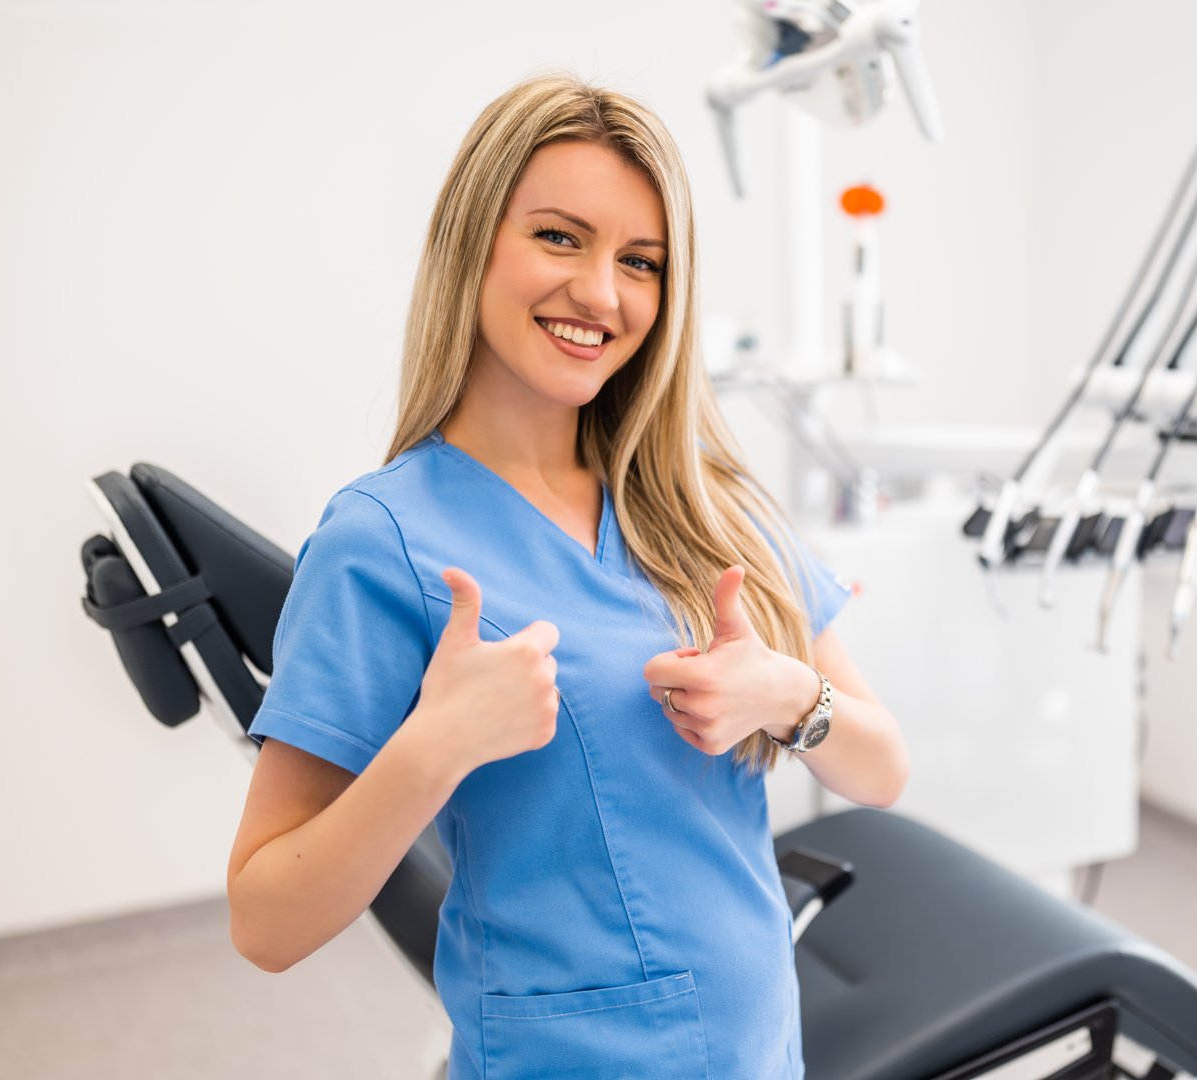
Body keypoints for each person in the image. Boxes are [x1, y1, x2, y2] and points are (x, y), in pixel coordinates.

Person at [225, 70, 909, 1079]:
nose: (601, 293)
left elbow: (883, 767)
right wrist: (434, 749)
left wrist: (787, 694)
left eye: (642, 260)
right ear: (474, 244)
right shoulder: (383, 540)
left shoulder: (700, 496)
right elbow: (265, 921)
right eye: (559, 237)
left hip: (759, 1049)